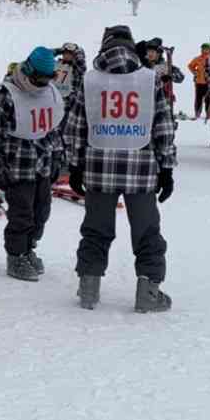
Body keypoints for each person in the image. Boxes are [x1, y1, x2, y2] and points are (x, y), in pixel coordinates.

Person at [64, 24, 176, 312]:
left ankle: (89, 288)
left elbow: (75, 127)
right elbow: (163, 126)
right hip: (141, 172)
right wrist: (166, 168)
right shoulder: (149, 79)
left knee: (95, 230)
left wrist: (74, 165)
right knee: (147, 232)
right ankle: (148, 292)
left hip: (98, 171)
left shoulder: (90, 80)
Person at [0, 46, 64, 282]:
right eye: (39, 79)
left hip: (43, 161)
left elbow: (54, 127)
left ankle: (29, 248)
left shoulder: (50, 92)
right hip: (16, 164)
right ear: (28, 71)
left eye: (48, 79)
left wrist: (58, 156)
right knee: (22, 213)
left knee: (42, 210)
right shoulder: (4, 93)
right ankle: (16, 255)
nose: (43, 84)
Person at [187, 44, 210, 118]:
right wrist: (195, 72)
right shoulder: (198, 58)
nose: (204, 50)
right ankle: (197, 113)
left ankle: (209, 114)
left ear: (209, 49)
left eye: (206, 49)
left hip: (208, 83)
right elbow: (190, 65)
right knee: (198, 99)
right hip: (199, 82)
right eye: (203, 48)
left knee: (208, 99)